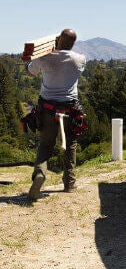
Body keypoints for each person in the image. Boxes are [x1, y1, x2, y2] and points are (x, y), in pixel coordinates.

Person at [25, 29, 86, 201]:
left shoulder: (44, 58)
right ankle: (69, 183)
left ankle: (40, 174)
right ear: (73, 43)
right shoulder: (79, 59)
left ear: (58, 40)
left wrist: (45, 53)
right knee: (71, 145)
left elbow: (30, 72)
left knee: (45, 145)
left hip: (47, 109)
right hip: (69, 109)